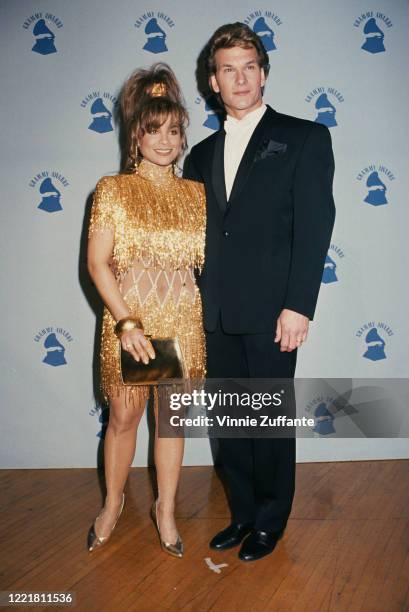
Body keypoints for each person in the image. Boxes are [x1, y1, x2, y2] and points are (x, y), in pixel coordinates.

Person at [184, 23, 335, 562]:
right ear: (213, 81)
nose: (240, 77)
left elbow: (315, 227)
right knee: (230, 424)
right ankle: (243, 514)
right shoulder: (198, 156)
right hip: (215, 313)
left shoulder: (304, 137)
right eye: (229, 69)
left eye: (249, 66)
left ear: (263, 73)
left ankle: (271, 521)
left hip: (275, 312)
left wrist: (299, 305)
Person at [87, 63, 206, 558]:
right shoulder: (113, 191)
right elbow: (97, 264)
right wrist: (128, 324)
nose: (165, 140)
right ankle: (113, 504)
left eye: (174, 130)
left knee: (172, 421)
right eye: (153, 129)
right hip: (132, 325)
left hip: (181, 322)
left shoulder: (196, 195)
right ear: (136, 135)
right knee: (123, 419)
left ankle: (166, 511)